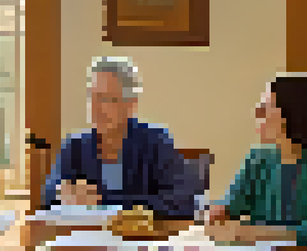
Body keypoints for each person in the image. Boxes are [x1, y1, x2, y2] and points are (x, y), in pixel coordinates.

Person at [41, 56, 196, 218]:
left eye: (105, 99)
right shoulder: (75, 146)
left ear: (131, 104)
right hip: (89, 240)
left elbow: (182, 201)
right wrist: (63, 193)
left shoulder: (157, 142)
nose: (95, 108)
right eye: (91, 97)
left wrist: (102, 200)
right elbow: (49, 193)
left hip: (141, 240)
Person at [205, 74, 307, 246]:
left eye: (265, 108)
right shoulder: (257, 158)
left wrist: (244, 232)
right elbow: (231, 206)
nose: (257, 114)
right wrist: (218, 214)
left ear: (292, 113)